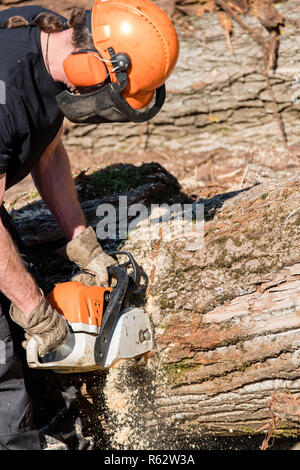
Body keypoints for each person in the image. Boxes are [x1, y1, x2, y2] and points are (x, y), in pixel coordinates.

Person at [0, 0, 179, 450]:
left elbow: (48, 151)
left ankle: (56, 429)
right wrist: (33, 308)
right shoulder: (5, 93)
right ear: (89, 62)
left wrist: (82, 240)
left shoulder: (47, 38)